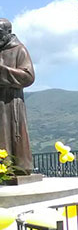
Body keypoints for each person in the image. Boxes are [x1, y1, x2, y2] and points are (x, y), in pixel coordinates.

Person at [0, 18, 35, 173]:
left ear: (8, 32)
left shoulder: (19, 50)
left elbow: (28, 76)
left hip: (11, 102)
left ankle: (18, 169)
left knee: (13, 135)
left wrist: (2, 71)